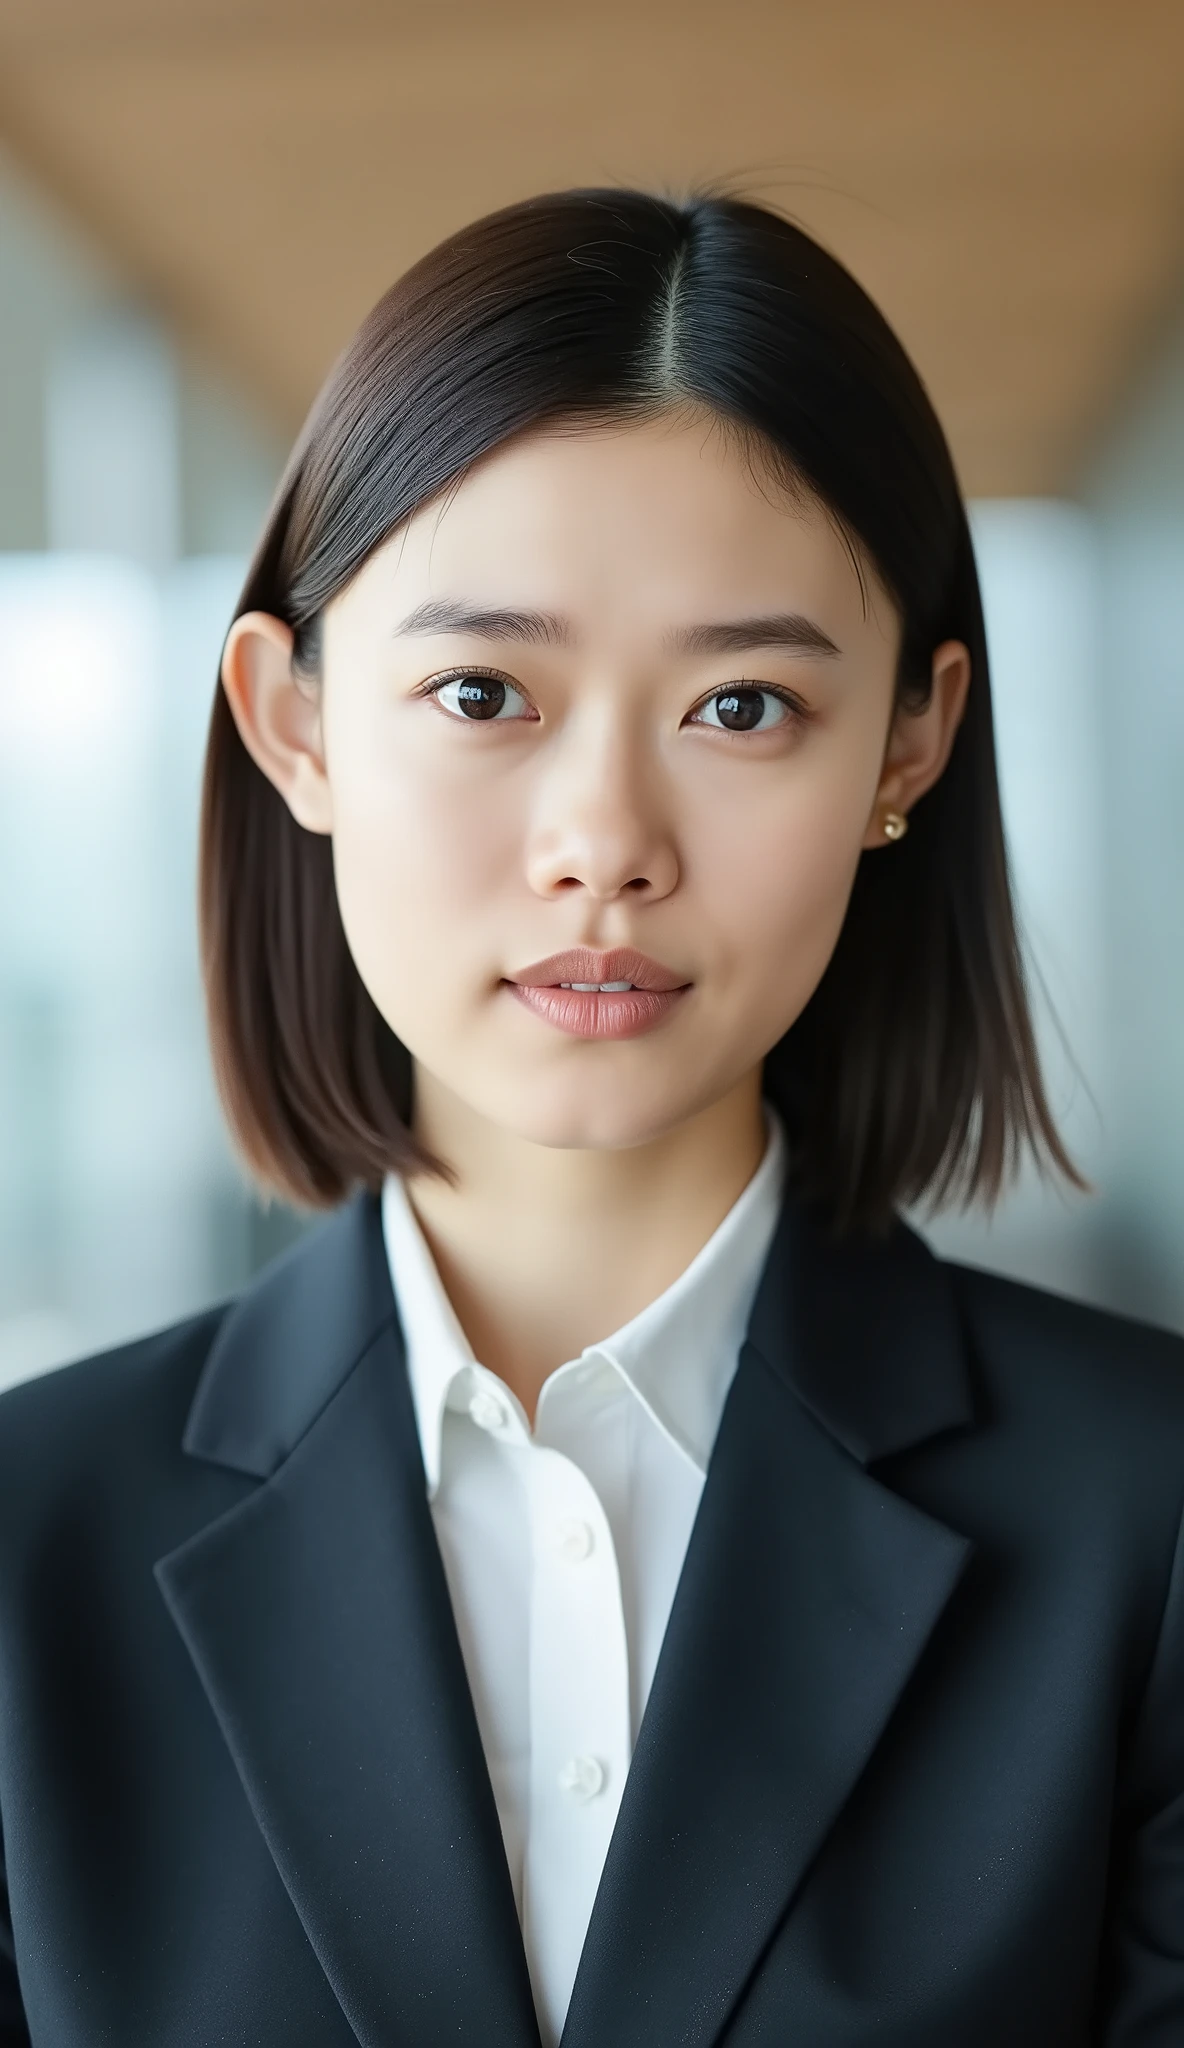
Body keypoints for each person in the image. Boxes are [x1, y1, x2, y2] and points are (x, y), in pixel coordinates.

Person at [1, 188, 1181, 2048]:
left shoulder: (1149, 1518)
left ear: (909, 744)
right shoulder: (25, 1540)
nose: (606, 844)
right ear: (292, 722)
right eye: (484, 692)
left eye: (742, 704)